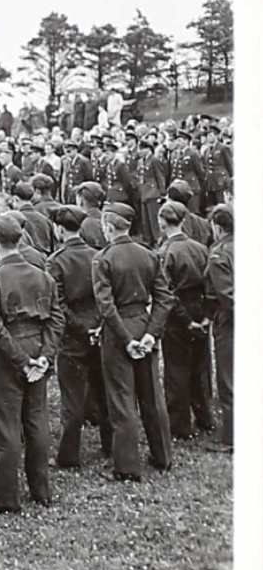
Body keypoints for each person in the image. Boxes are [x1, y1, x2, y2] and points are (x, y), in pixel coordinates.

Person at [0, 214, 64, 512]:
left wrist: (23, 361)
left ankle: (6, 497)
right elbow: (56, 319)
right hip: (37, 345)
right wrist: (44, 356)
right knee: (36, 419)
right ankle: (41, 490)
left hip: (8, 354)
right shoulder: (42, 275)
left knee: (6, 425)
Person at [91, 203, 174, 482]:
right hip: (143, 322)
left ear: (109, 227)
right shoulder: (148, 254)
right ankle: (163, 455)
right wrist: (151, 333)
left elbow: (106, 306)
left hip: (118, 330)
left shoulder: (103, 259)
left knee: (121, 398)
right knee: (151, 393)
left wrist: (126, 339)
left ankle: (127, 466)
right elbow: (164, 298)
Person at [45, 206, 111, 468]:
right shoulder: (97, 255)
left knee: (72, 399)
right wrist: (97, 326)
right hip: (99, 329)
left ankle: (69, 455)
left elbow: (58, 305)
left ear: (59, 229)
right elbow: (106, 296)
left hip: (72, 336)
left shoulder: (56, 261)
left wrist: (81, 328)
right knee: (104, 391)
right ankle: (110, 445)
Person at [157, 200, 214, 441]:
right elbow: (210, 284)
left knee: (176, 370)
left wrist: (185, 320)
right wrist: (206, 316)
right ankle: (205, 417)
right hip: (199, 306)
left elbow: (167, 293)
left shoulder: (165, 252)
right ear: (183, 220)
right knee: (200, 366)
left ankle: (180, 425)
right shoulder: (200, 248)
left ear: (162, 222)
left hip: (178, 312)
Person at [203, 204, 234, 454]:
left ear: (217, 227)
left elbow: (227, 295)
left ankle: (231, 437)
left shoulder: (219, 254)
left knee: (228, 380)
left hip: (229, 322)